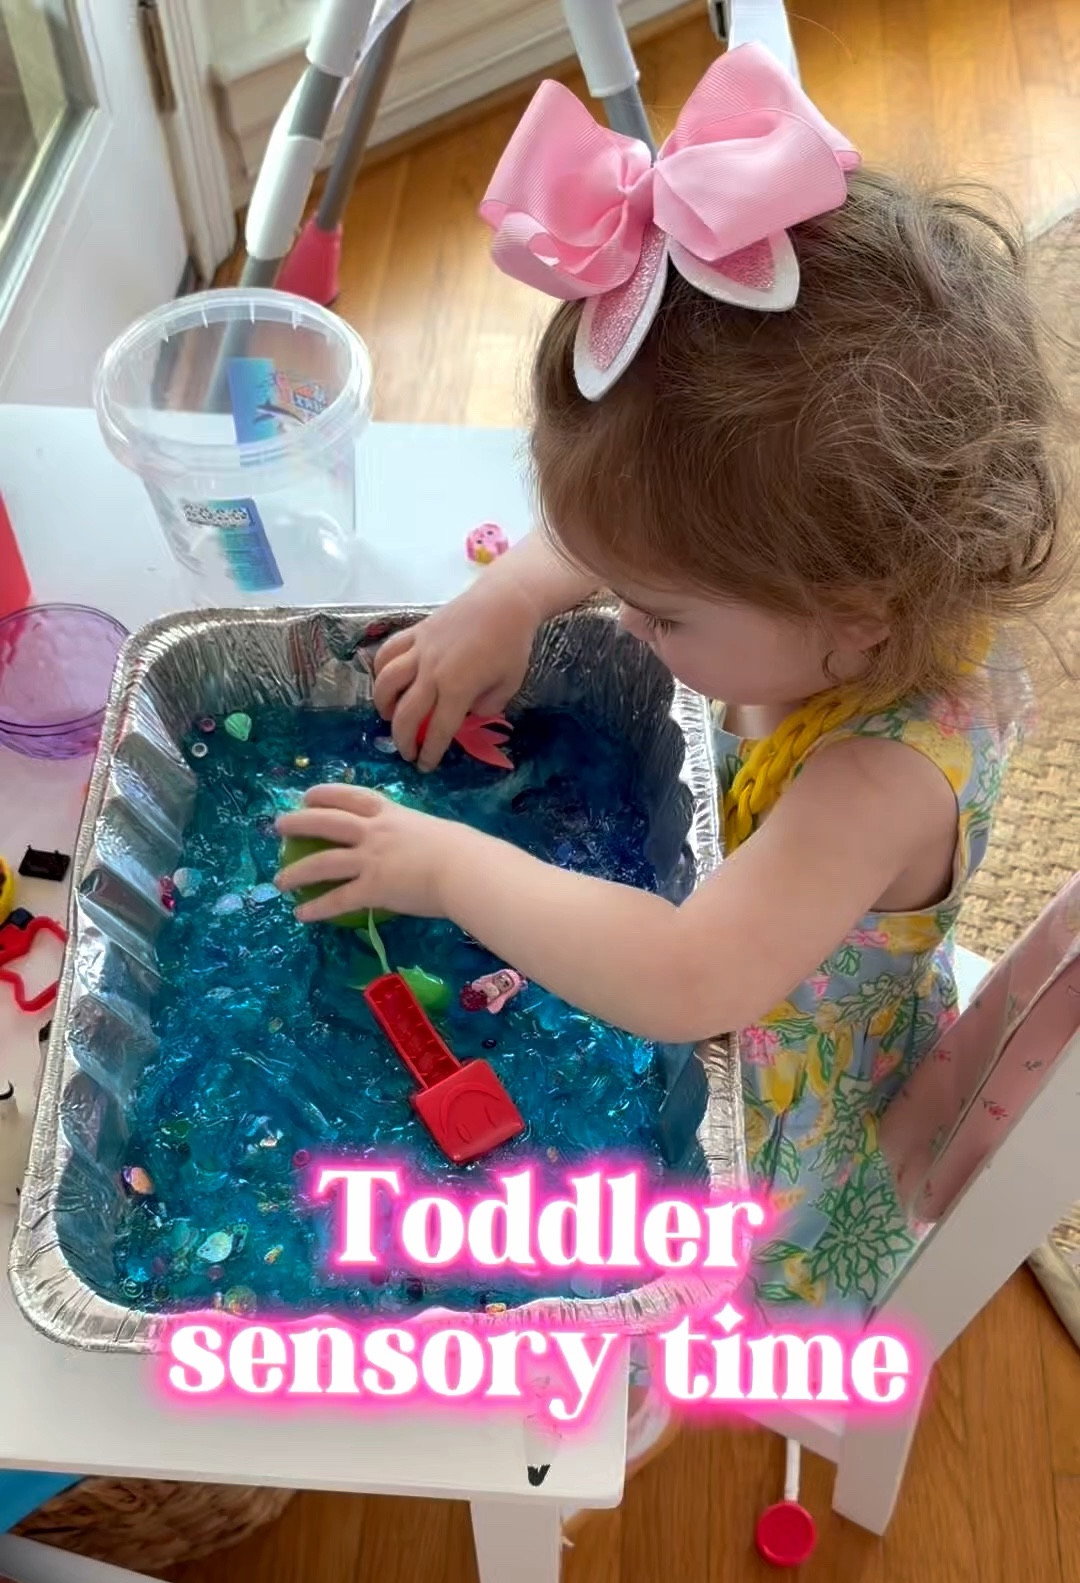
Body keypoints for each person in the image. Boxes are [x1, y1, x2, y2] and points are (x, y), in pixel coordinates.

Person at [276, 46, 1065, 1353]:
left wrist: (447, 867)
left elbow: (688, 980)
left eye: (661, 613)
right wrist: (513, 596)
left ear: (848, 609)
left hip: (791, 1132)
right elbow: (655, 530)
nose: (629, 627)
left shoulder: (876, 784)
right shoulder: (844, 590)